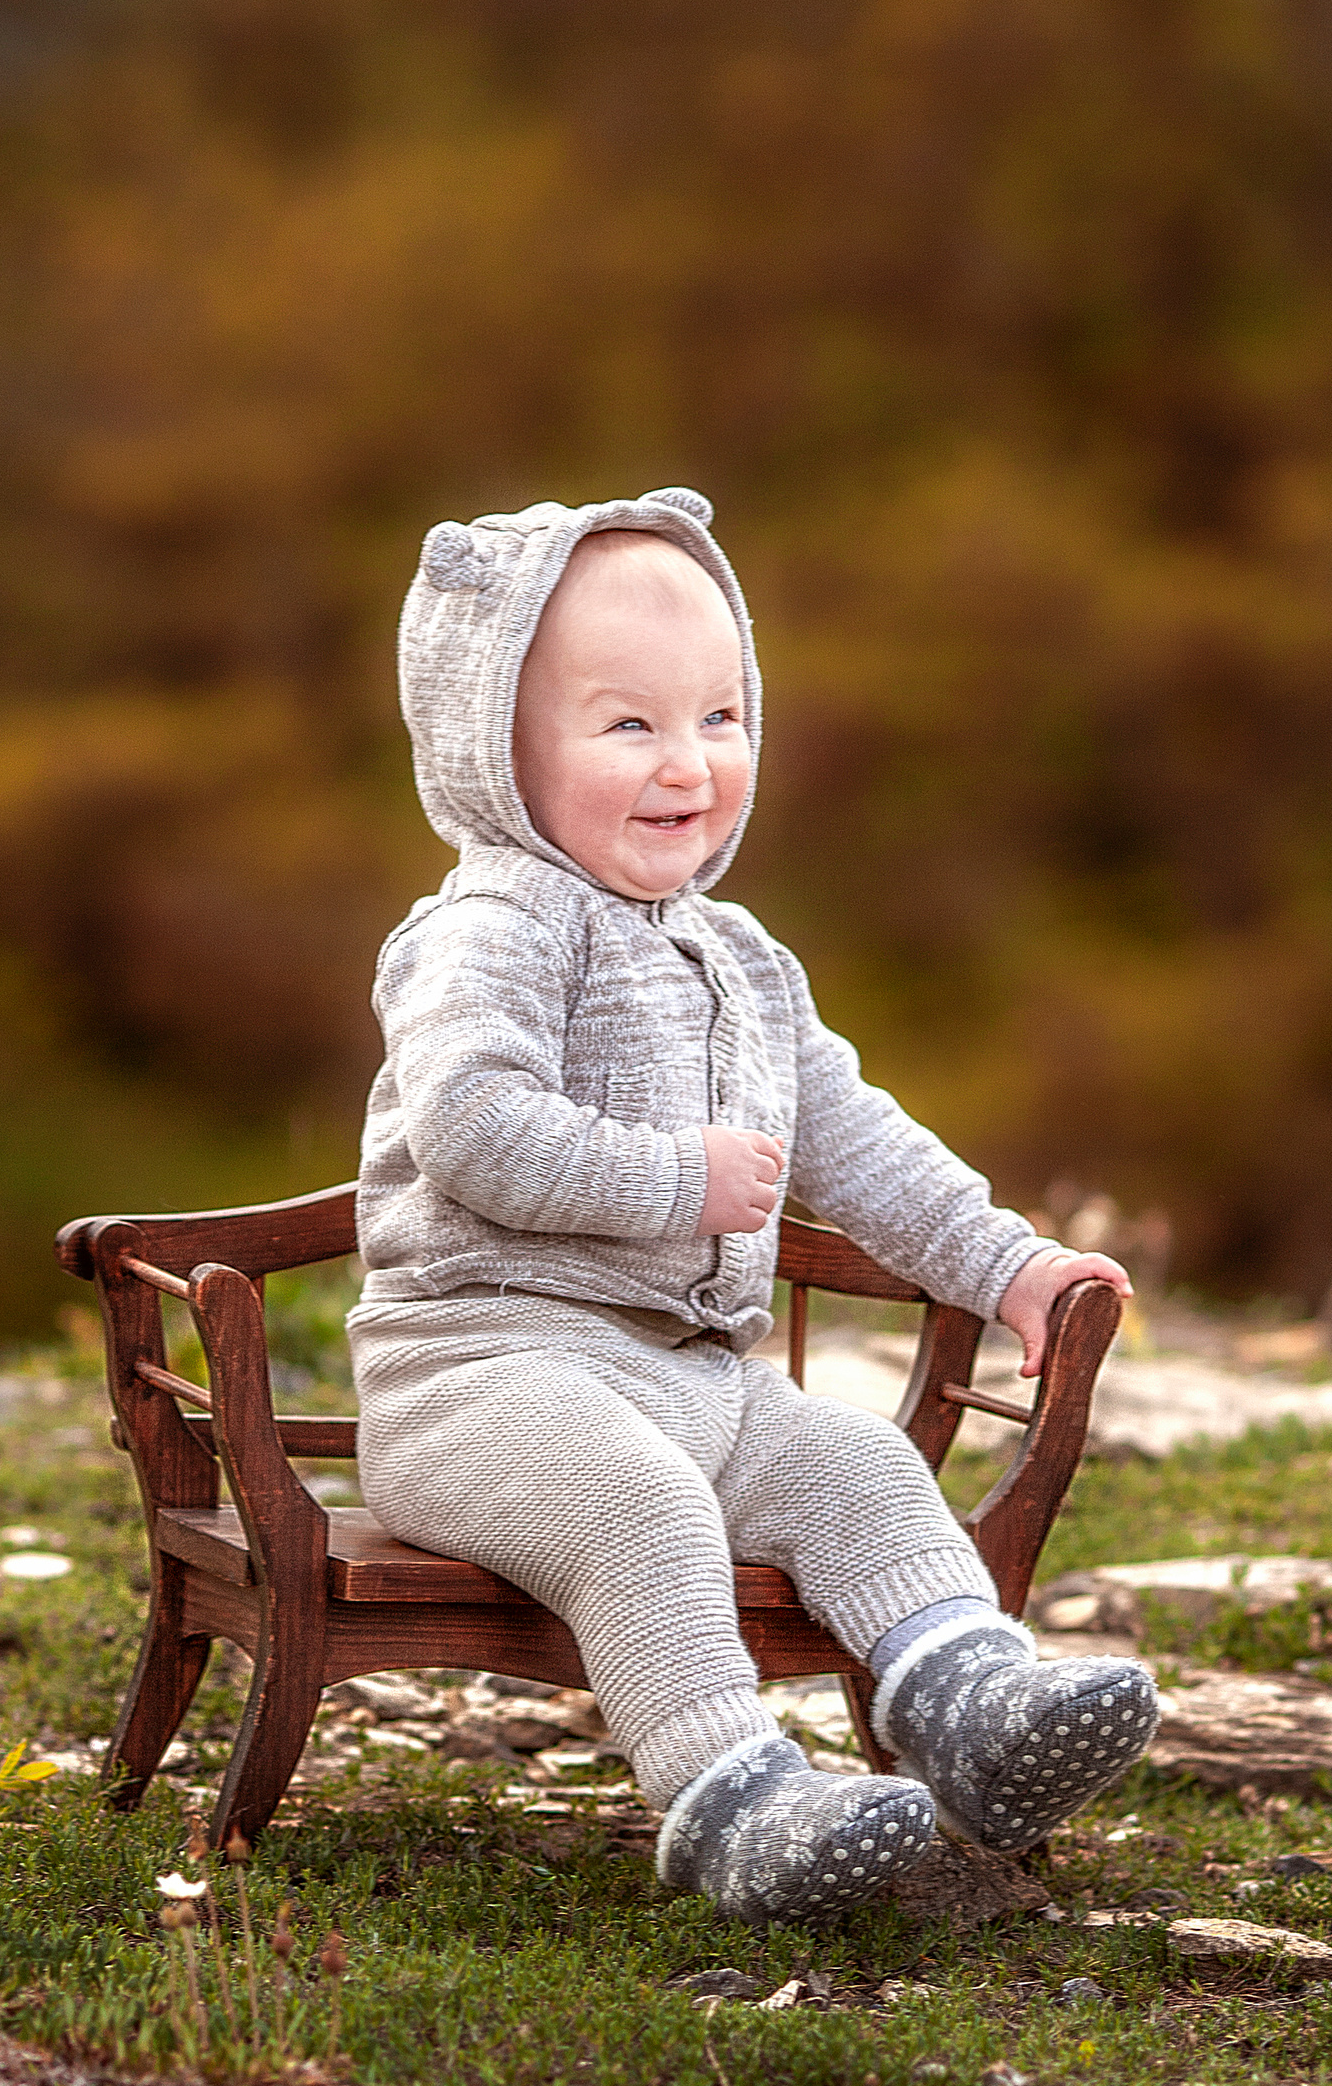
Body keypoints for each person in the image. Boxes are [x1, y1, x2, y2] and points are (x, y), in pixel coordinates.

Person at [347, 486, 1157, 1921]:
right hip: (481, 1382)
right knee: (640, 1504)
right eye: (628, 726)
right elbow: (471, 1130)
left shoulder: (739, 956)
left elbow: (854, 1138)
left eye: (720, 718)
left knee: (854, 1464)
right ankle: (738, 1802)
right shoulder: (486, 931)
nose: (689, 765)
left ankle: (974, 1712)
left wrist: (1007, 1266)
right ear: (496, 749)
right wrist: (678, 1181)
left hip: (686, 1376)